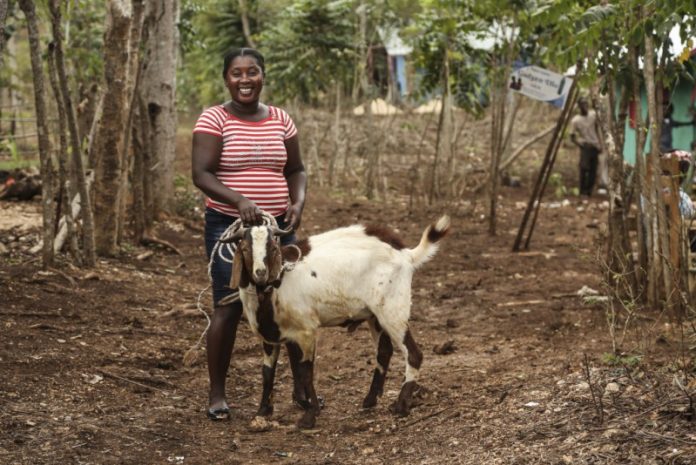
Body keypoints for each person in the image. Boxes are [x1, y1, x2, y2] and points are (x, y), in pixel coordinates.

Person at [191, 47, 307, 421]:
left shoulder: (280, 119)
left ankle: (303, 391)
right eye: (237, 73)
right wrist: (239, 200)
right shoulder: (214, 119)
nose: (245, 80)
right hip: (230, 227)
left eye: (252, 72)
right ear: (226, 78)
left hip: (277, 227)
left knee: (286, 303)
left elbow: (297, 170)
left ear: (263, 76)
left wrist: (297, 203)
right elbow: (202, 174)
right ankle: (217, 394)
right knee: (229, 305)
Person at [570, 97, 604, 196]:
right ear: (579, 106)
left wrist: (600, 144)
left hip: (595, 145)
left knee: (593, 169)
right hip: (586, 146)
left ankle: (589, 191)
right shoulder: (575, 120)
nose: (585, 106)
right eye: (583, 104)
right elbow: (572, 136)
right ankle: (582, 191)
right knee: (584, 168)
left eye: (586, 104)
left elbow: (598, 129)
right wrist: (580, 144)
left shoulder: (593, 115)